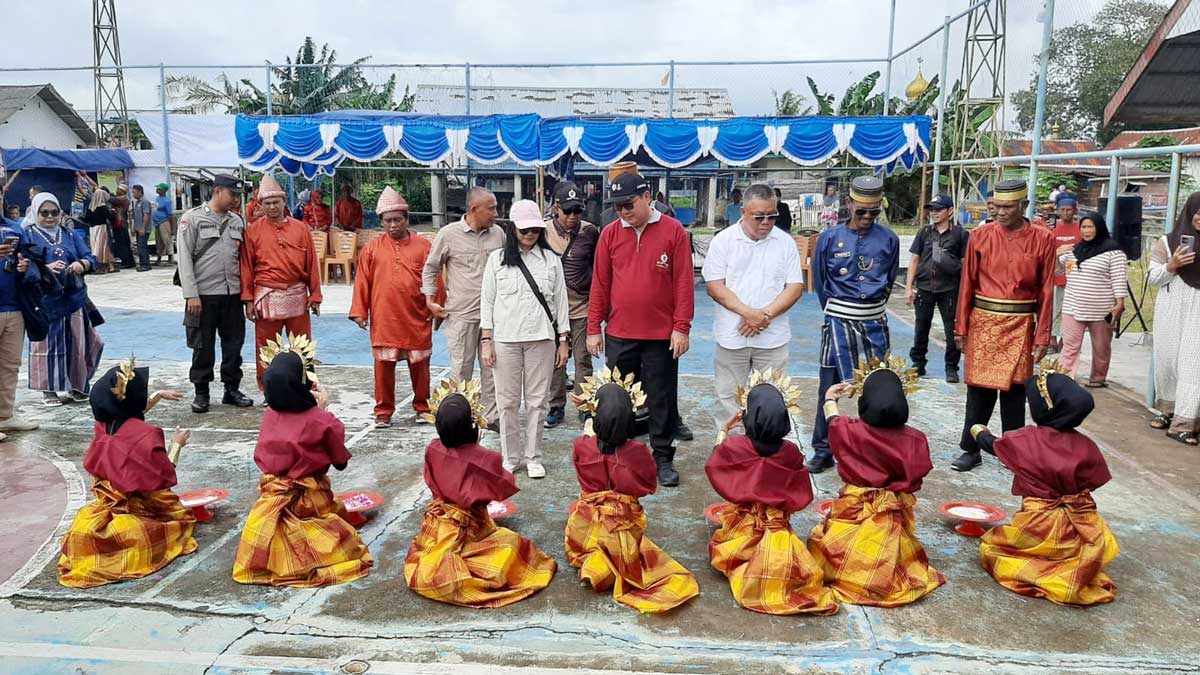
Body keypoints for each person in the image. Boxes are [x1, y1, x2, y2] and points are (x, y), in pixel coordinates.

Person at [971, 360, 1119, 606]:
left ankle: (1041, 571)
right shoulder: (1086, 445)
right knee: (1074, 549)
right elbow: (1094, 480)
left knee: (992, 548)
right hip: (1079, 522)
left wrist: (979, 431)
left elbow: (994, 446)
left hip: (1037, 521)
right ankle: (1068, 566)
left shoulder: (1026, 439)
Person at [232, 333, 374, 587]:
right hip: (309, 498)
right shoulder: (321, 421)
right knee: (344, 543)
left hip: (271, 496)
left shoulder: (269, 415)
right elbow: (340, 461)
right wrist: (322, 412)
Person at [404, 380, 557, 607]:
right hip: (472, 528)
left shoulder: (433, 448)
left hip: (440, 524)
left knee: (429, 555)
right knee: (514, 549)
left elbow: (431, 479)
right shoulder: (485, 459)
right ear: (473, 426)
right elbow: (505, 486)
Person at [809, 356, 945, 606]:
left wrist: (830, 397)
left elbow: (832, 421)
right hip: (891, 511)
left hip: (853, 509)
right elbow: (917, 476)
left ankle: (851, 570)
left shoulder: (850, 431)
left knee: (826, 546)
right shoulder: (915, 439)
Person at [588, 172, 695, 487]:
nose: (623, 211)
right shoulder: (609, 234)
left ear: (647, 196)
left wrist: (681, 328)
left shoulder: (673, 232)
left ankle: (662, 457)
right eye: (618, 206)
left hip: (661, 336)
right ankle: (618, 456)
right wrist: (594, 327)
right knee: (617, 399)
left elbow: (684, 284)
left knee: (660, 399)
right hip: (620, 333)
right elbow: (601, 284)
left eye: (629, 203)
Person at [566, 369, 699, 613]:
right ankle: (606, 563)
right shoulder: (636, 452)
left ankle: (595, 559)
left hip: (583, 528)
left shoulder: (582, 446)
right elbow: (648, 485)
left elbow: (587, 450)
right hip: (623, 527)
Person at [706, 371, 838, 615]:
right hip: (778, 524)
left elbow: (717, 462)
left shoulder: (736, 447)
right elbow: (799, 490)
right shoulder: (791, 452)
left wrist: (724, 430)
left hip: (744, 523)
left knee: (725, 548)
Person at [57, 358, 195, 587]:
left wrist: (158, 396)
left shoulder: (102, 424)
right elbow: (163, 475)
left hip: (108, 498)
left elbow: (126, 415)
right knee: (176, 523)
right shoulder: (146, 435)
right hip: (137, 502)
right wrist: (177, 444)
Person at [952, 179, 1057, 472]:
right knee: (978, 391)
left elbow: (1047, 290)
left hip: (1022, 322)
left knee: (1015, 392)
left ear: (1023, 205)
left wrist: (1042, 335)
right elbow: (967, 284)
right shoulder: (980, 235)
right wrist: (961, 327)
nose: (1000, 212)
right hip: (984, 321)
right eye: (996, 206)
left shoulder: (1044, 238)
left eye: (1007, 207)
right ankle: (970, 449)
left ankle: (1015, 451)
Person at [806, 176, 899, 473]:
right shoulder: (830, 238)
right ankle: (822, 448)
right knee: (828, 385)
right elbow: (821, 283)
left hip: (874, 321)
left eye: (874, 212)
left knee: (877, 388)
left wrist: (870, 307)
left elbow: (889, 278)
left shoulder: (889, 239)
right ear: (849, 204)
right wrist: (838, 313)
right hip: (838, 322)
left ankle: (871, 446)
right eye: (861, 212)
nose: (868, 218)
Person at [480, 200, 570, 477]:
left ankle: (533, 456)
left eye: (534, 229)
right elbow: (487, 300)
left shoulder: (551, 260)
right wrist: (486, 340)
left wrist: (563, 339)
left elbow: (561, 301)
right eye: (524, 230)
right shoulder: (496, 260)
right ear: (512, 229)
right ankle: (511, 457)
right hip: (505, 340)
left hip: (541, 339)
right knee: (506, 402)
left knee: (537, 401)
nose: (530, 234)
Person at [702, 183, 804, 420]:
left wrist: (764, 316)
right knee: (729, 398)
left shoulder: (785, 242)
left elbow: (795, 287)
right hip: (732, 335)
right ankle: (730, 449)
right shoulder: (724, 241)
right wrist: (748, 313)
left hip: (773, 337)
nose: (766, 222)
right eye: (759, 217)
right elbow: (715, 286)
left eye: (771, 216)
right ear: (743, 212)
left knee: (774, 397)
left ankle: (767, 450)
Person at [350, 187, 438, 428]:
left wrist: (436, 308)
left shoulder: (424, 246)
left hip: (416, 315)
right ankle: (383, 411)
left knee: (420, 364)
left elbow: (434, 279)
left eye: (397, 219)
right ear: (381, 222)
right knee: (383, 365)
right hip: (384, 317)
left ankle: (422, 407)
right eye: (387, 221)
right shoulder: (372, 248)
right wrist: (360, 311)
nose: (393, 225)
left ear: (407, 219)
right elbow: (362, 281)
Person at [421, 186, 505, 427]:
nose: (496, 213)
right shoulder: (448, 234)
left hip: (493, 317)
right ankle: (460, 417)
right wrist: (430, 299)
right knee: (461, 369)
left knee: (492, 369)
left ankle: (491, 417)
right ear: (473, 209)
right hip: (461, 315)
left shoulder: (498, 234)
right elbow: (431, 267)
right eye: (491, 209)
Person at [177, 174, 254, 413]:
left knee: (233, 345)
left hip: (232, 294)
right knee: (203, 346)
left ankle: (231, 389)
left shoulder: (236, 222)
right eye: (232, 195)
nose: (235, 200)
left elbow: (243, 259)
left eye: (238, 196)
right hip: (203, 296)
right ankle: (202, 392)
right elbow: (184, 259)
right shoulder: (192, 219)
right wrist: (191, 294)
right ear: (218, 191)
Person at [241, 176, 323, 392]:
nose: (272, 207)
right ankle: (269, 389)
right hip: (266, 295)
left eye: (276, 202)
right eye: (267, 203)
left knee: (302, 345)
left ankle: (306, 388)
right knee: (267, 347)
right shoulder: (252, 232)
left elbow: (312, 263)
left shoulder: (300, 228)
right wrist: (248, 300)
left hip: (297, 294)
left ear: (284, 202)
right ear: (260, 205)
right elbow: (247, 267)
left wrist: (315, 295)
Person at [23, 193, 104, 407]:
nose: (50, 217)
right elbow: (20, 263)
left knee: (80, 342)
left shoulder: (69, 233)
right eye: (44, 213)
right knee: (47, 345)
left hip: (73, 298)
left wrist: (82, 264)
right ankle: (48, 390)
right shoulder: (27, 234)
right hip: (44, 301)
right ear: (35, 212)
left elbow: (90, 256)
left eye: (54, 212)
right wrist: (44, 269)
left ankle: (77, 386)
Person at [544, 181, 600, 428]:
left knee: (582, 359)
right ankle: (555, 406)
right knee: (555, 361)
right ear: (556, 207)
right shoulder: (542, 232)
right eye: (568, 211)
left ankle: (584, 404)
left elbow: (600, 269)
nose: (573, 217)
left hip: (581, 308)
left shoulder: (590, 232)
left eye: (578, 211)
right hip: (552, 312)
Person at [1148, 192, 1200, 444]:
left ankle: (1184, 423)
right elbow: (1152, 278)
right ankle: (1168, 410)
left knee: (1192, 364)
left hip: (1198, 312)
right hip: (1170, 309)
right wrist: (1172, 265)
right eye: (1197, 211)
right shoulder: (1167, 242)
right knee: (1167, 361)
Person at [1057, 211, 1126, 387]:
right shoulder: (1074, 251)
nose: (1086, 231)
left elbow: (1118, 279)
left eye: (1090, 227)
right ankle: (1065, 379)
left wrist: (1119, 304)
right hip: (1072, 306)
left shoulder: (1113, 252)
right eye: (1083, 227)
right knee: (1070, 346)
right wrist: (1056, 254)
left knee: (1101, 347)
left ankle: (1098, 378)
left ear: (1099, 228)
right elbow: (1057, 269)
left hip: (1101, 309)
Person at [905, 193, 968, 382]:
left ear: (950, 211)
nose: (934, 213)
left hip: (949, 288)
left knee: (952, 331)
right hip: (925, 287)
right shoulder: (924, 232)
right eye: (932, 210)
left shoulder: (960, 234)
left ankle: (951, 367)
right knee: (921, 327)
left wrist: (964, 289)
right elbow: (915, 259)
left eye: (938, 209)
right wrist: (909, 287)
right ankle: (918, 364)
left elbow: (965, 264)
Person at [0, 220, 36, 439]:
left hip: (14, 306)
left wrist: (26, 265)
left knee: (10, 365)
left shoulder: (14, 228)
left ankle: (5, 416)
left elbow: (30, 256)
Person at [1048, 193, 1083, 351]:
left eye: (1069, 209)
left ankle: (1065, 338)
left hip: (1073, 272)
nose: (1066, 212)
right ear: (1058, 211)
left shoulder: (1081, 228)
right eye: (1062, 209)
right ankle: (1052, 338)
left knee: (1069, 307)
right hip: (1054, 271)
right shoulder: (1052, 229)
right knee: (1053, 306)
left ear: (1075, 211)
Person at [84, 187, 116, 274]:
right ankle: (101, 266)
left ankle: (110, 266)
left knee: (97, 246)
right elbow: (110, 217)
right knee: (102, 247)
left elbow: (86, 219)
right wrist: (113, 211)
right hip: (101, 228)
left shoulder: (90, 207)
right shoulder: (102, 207)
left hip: (92, 229)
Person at [109, 185, 135, 270]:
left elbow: (111, 199)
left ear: (123, 191)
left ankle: (126, 262)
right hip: (121, 224)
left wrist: (107, 194)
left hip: (120, 224)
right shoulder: (122, 198)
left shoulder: (123, 198)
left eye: (119, 189)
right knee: (125, 243)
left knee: (122, 244)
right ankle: (130, 261)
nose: (117, 191)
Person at [130, 185, 154, 272]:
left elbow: (146, 215)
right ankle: (143, 263)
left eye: (134, 192)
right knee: (140, 247)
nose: (133, 194)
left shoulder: (145, 202)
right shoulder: (137, 203)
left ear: (140, 192)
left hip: (143, 229)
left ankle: (145, 264)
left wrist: (143, 228)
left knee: (142, 246)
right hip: (138, 228)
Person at [152, 183, 174, 266]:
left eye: (159, 189)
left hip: (164, 221)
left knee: (166, 239)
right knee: (158, 241)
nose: (157, 189)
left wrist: (171, 227)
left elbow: (170, 215)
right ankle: (159, 257)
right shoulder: (157, 198)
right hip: (157, 222)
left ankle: (170, 257)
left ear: (164, 191)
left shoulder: (167, 201)